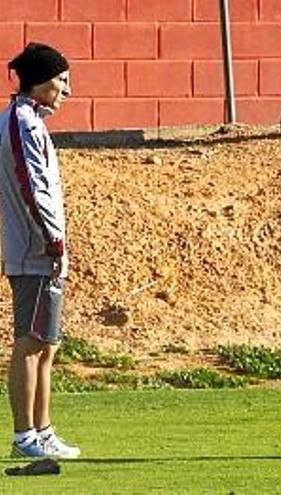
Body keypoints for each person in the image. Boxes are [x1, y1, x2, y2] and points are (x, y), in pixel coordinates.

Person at [0, 42, 79, 458]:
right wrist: (53, 239)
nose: (66, 89)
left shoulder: (32, 122)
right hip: (35, 250)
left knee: (48, 344)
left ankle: (43, 429)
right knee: (30, 342)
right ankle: (23, 435)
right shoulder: (22, 123)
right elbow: (32, 186)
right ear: (39, 80)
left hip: (45, 250)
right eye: (61, 80)